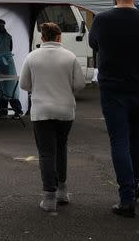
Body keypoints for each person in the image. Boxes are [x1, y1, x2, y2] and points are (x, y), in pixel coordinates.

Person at [89, 0, 139, 218]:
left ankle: (126, 196)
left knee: (119, 140)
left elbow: (93, 45)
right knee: (136, 137)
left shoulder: (102, 20)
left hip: (113, 88)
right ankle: (135, 184)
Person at [20, 22, 86, 212]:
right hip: (65, 110)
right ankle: (62, 191)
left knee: (46, 152)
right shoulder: (70, 56)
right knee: (61, 148)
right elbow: (80, 83)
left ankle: (49, 197)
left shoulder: (32, 57)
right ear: (59, 37)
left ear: (42, 37)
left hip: (41, 111)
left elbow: (24, 84)